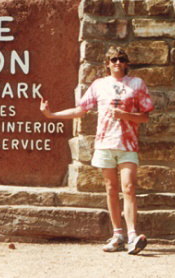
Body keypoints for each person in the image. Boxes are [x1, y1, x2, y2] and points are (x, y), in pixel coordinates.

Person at [40, 46, 154, 255]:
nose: (117, 63)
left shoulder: (136, 84)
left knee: (128, 188)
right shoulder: (99, 85)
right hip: (104, 144)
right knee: (111, 189)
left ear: (127, 63)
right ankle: (117, 235)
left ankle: (132, 236)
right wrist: (51, 114)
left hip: (127, 144)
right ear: (107, 64)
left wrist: (125, 115)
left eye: (121, 59)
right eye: (113, 59)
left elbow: (146, 115)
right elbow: (80, 110)